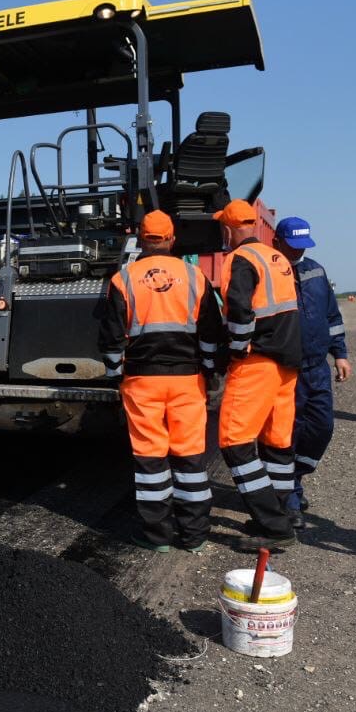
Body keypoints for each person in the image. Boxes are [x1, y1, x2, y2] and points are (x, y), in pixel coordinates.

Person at [99, 210, 226, 553]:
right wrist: (211, 370)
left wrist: (114, 376)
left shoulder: (122, 279)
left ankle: (156, 536)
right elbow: (211, 332)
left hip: (142, 382)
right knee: (190, 458)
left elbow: (111, 338)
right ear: (172, 240)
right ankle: (194, 535)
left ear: (141, 239)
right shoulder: (195, 277)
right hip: (187, 381)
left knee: (151, 460)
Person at [213, 200, 301, 551]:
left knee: (234, 443)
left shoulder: (240, 259)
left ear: (229, 229)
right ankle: (283, 511)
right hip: (287, 363)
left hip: (258, 363)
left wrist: (233, 350)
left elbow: (240, 311)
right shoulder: (276, 257)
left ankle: (274, 526)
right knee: (276, 442)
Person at [273, 217, 351, 529]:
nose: (298, 253)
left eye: (303, 247)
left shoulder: (316, 270)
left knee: (321, 428)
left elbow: (332, 315)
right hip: (285, 371)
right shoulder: (270, 271)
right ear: (278, 241)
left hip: (317, 367)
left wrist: (340, 354)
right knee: (287, 435)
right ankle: (290, 499)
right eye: (293, 247)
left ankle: (295, 480)